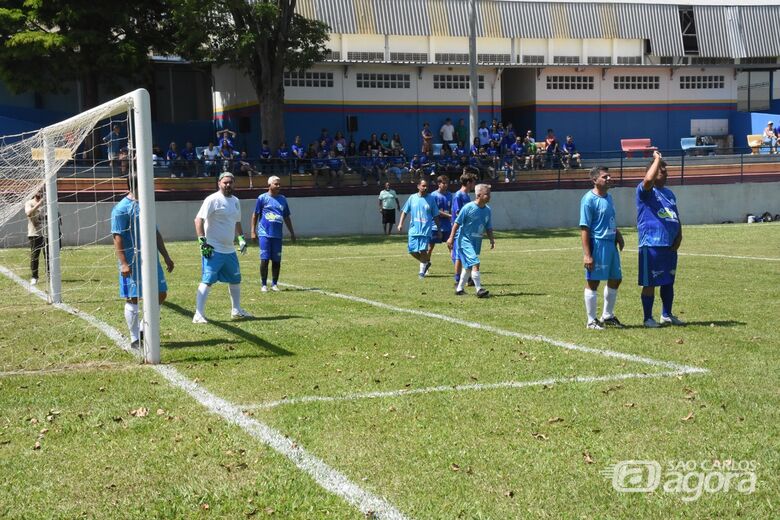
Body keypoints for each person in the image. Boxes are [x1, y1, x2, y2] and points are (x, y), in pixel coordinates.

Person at [111, 175, 175, 349]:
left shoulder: (147, 205)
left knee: (161, 294)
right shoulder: (121, 209)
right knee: (132, 298)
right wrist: (123, 263)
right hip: (131, 260)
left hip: (151, 259)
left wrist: (166, 256)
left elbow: (155, 232)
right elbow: (117, 237)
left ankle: (141, 329)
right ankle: (134, 338)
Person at [193, 172, 251, 323]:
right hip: (213, 249)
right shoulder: (212, 199)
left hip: (229, 249)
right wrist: (202, 242)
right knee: (208, 280)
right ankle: (198, 314)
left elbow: (236, 221)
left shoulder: (236, 201)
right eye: (225, 182)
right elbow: (198, 219)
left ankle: (236, 310)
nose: (228, 185)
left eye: (230, 182)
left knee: (235, 279)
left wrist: (241, 238)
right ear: (219, 183)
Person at [637, 151, 684, 327]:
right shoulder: (645, 191)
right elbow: (648, 181)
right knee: (651, 282)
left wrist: (679, 234)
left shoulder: (670, 193)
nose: (666, 175)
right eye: (662, 172)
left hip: (669, 245)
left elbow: (675, 216)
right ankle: (648, 318)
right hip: (652, 244)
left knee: (668, 281)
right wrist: (657, 159)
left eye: (666, 172)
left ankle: (667, 314)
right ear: (653, 171)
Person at [579, 166, 625, 330]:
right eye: (605, 177)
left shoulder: (609, 197)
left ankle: (607, 315)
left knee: (615, 279)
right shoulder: (588, 200)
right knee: (593, 281)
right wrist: (587, 255)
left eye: (609, 176)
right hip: (597, 244)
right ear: (594, 180)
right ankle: (591, 320)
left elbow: (609, 219)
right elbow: (585, 228)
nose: (609, 179)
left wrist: (618, 235)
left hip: (610, 244)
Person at [447, 183, 495, 298]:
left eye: (489, 194)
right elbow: (456, 223)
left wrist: (491, 239)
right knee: (475, 263)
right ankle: (479, 289)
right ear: (478, 195)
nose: (489, 196)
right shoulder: (468, 207)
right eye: (487, 194)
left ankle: (459, 289)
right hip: (464, 241)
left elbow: (488, 226)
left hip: (476, 241)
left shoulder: (487, 210)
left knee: (468, 266)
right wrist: (451, 238)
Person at [251, 176, 296, 292]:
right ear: (269, 185)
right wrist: (253, 231)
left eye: (279, 184)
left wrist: (292, 232)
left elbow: (286, 216)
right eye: (276, 184)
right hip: (264, 233)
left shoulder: (283, 199)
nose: (278, 186)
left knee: (277, 260)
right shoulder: (262, 198)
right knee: (265, 259)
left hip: (277, 235)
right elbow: (255, 215)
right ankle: (264, 284)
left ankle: (275, 284)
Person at [397, 179, 439, 279]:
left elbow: (436, 215)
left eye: (426, 186)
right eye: (423, 186)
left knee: (423, 250)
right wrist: (400, 224)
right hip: (413, 229)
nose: (425, 188)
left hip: (425, 230)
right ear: (418, 186)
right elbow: (404, 211)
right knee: (411, 250)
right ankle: (425, 263)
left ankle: (421, 272)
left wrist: (439, 228)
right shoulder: (412, 198)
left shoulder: (431, 199)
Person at [450, 169, 477, 286]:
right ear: (468, 183)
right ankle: (457, 280)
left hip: (467, 230)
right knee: (458, 256)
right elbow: (458, 214)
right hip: (460, 230)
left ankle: (468, 278)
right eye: (473, 182)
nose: (474, 185)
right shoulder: (458, 195)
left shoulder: (466, 195)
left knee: (467, 254)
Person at [428, 175, 453, 262]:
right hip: (435, 225)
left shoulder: (450, 195)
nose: (446, 185)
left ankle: (457, 269)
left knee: (451, 246)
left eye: (447, 183)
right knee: (430, 247)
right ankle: (424, 266)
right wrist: (449, 216)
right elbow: (435, 211)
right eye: (443, 183)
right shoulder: (433, 195)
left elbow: (450, 209)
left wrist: (451, 220)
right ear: (438, 184)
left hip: (447, 226)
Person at [25, 190, 47, 285]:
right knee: (35, 256)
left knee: (49, 256)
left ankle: (50, 274)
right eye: (38, 191)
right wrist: (39, 204)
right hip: (34, 233)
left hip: (46, 233)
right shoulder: (29, 203)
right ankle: (34, 277)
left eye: (41, 191)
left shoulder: (47, 204)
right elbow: (28, 213)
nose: (40, 193)